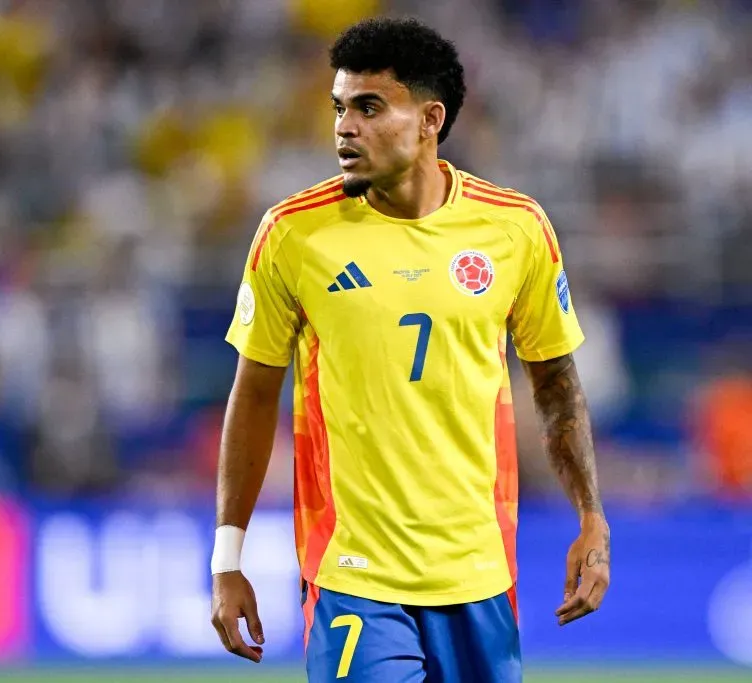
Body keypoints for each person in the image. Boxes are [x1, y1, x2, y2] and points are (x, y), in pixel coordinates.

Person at [210, 16, 610, 682]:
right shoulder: (293, 234)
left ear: (430, 119)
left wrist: (591, 517)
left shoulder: (514, 228)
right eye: (339, 107)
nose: (344, 126)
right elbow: (252, 393)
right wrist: (228, 555)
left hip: (477, 570)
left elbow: (556, 385)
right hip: (354, 572)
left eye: (369, 107)